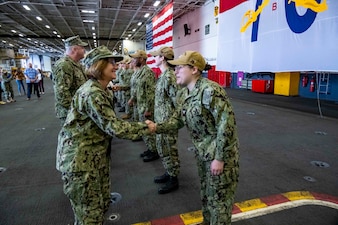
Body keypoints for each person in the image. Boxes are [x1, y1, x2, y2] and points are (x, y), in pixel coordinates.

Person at [56, 46, 150, 225]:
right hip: (80, 162)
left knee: (100, 207)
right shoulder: (92, 93)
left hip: (94, 157)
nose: (116, 66)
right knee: (89, 216)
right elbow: (116, 128)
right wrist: (149, 128)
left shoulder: (102, 89)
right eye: (111, 63)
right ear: (98, 66)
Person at [146, 51, 239, 225]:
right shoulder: (185, 94)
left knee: (219, 202)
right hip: (203, 155)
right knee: (206, 194)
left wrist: (219, 158)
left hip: (219, 156)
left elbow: (227, 126)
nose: (175, 72)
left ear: (194, 69)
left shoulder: (211, 91)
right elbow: (177, 120)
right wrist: (157, 127)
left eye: (180, 68)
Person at [149, 46, 180, 194]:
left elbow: (177, 101)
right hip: (161, 119)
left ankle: (174, 178)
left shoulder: (169, 76)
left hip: (168, 121)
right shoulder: (163, 76)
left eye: (157, 56)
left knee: (169, 148)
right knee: (163, 148)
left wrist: (174, 121)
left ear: (162, 58)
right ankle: (169, 171)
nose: (155, 59)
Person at [128, 50, 159, 162]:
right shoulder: (138, 72)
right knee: (144, 130)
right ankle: (150, 148)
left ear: (141, 59)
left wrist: (149, 109)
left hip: (146, 107)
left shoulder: (148, 72)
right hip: (139, 105)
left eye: (135, 58)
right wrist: (132, 99)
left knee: (149, 130)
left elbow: (151, 92)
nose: (132, 60)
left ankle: (154, 151)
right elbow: (136, 88)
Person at [52, 35, 88, 125]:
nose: (84, 50)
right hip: (71, 112)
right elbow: (62, 93)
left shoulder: (77, 64)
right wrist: (75, 110)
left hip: (79, 109)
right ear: (74, 49)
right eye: (82, 48)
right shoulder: (64, 65)